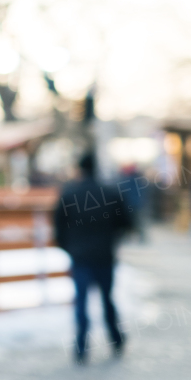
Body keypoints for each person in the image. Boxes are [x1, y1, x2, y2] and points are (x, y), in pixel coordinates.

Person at [53, 152, 131, 363]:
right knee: (108, 299)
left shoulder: (69, 194)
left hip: (80, 257)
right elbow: (125, 222)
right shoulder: (111, 192)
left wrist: (70, 248)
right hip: (105, 255)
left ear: (80, 169)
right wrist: (112, 240)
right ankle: (116, 339)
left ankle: (81, 346)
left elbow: (58, 228)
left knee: (81, 302)